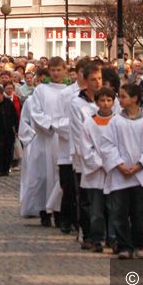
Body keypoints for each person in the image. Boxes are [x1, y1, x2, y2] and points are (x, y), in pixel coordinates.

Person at [99, 83, 143, 259]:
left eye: (123, 96)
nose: (119, 100)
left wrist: (139, 165)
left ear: (134, 99)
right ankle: (124, 245)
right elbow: (107, 145)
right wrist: (119, 164)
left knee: (140, 212)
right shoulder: (115, 122)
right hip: (120, 176)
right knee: (119, 213)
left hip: (140, 176)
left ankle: (140, 243)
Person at [29, 57, 67, 227]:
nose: (56, 73)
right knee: (44, 176)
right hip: (46, 138)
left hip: (62, 139)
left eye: (59, 70)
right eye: (53, 70)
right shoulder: (41, 90)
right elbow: (36, 112)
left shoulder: (69, 91)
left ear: (65, 70)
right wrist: (50, 125)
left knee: (60, 177)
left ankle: (60, 212)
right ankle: (44, 211)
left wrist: (62, 127)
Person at [70, 62, 103, 247]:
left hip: (105, 158)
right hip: (84, 158)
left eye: (99, 79)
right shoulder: (77, 103)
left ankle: (103, 234)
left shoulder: (108, 100)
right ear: (85, 81)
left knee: (103, 198)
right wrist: (91, 158)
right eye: (93, 79)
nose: (97, 83)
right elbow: (78, 135)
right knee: (85, 199)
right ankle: (87, 234)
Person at [79, 87, 116, 252]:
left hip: (114, 171)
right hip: (96, 173)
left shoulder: (118, 122)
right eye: (102, 100)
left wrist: (113, 162)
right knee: (96, 209)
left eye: (109, 100)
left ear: (113, 102)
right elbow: (85, 148)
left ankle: (113, 238)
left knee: (114, 208)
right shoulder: (89, 123)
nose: (105, 104)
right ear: (96, 103)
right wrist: (101, 162)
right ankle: (97, 238)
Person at [56, 59, 86, 235]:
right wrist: (75, 130)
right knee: (67, 186)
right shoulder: (66, 94)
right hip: (67, 148)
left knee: (83, 188)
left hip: (87, 150)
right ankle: (66, 219)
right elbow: (57, 120)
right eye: (83, 72)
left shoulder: (96, 95)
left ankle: (80, 221)